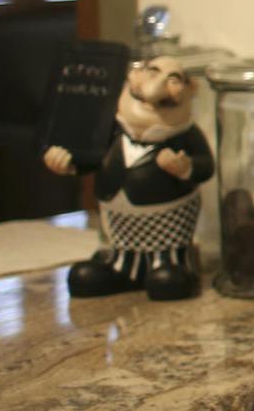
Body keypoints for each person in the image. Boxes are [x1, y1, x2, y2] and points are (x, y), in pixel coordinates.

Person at [44, 54, 215, 300]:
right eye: (153, 71)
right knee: (84, 278)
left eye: (173, 79)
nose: (159, 84)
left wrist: (186, 167)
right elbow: (89, 158)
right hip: (119, 236)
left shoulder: (185, 135)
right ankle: (120, 269)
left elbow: (205, 166)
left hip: (167, 237)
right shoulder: (110, 130)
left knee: (167, 281)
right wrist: (68, 163)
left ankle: (169, 269)